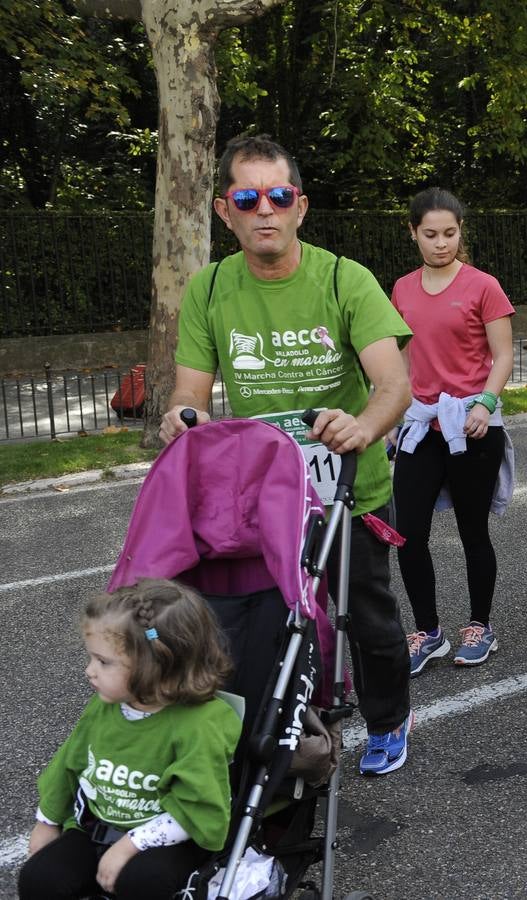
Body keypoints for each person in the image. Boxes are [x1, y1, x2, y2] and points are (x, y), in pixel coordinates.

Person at [160, 134, 414, 777]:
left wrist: (361, 426)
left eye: (278, 196)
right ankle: (302, 722)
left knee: (367, 620)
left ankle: (388, 719)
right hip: (264, 497)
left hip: (347, 488)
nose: (264, 210)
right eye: (248, 198)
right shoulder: (209, 289)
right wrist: (182, 417)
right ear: (225, 211)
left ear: (300, 206)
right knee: (280, 620)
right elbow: (191, 391)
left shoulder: (342, 277)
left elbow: (394, 383)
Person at [19, 580, 240, 900]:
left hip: (170, 838)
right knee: (39, 879)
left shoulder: (200, 724)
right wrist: (48, 820)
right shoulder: (105, 706)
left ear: (158, 667)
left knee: (142, 883)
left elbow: (197, 810)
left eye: (104, 662)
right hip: (97, 825)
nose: (89, 672)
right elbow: (68, 763)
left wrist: (129, 845)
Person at [392, 189, 515, 673]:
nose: (441, 243)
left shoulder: (484, 285)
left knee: (472, 531)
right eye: (430, 234)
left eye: (450, 233)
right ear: (413, 233)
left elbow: (503, 355)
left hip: (472, 423)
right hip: (422, 424)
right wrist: (390, 418)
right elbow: (400, 363)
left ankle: (480, 626)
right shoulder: (401, 289)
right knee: (408, 532)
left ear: (461, 230)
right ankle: (428, 632)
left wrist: (486, 403)